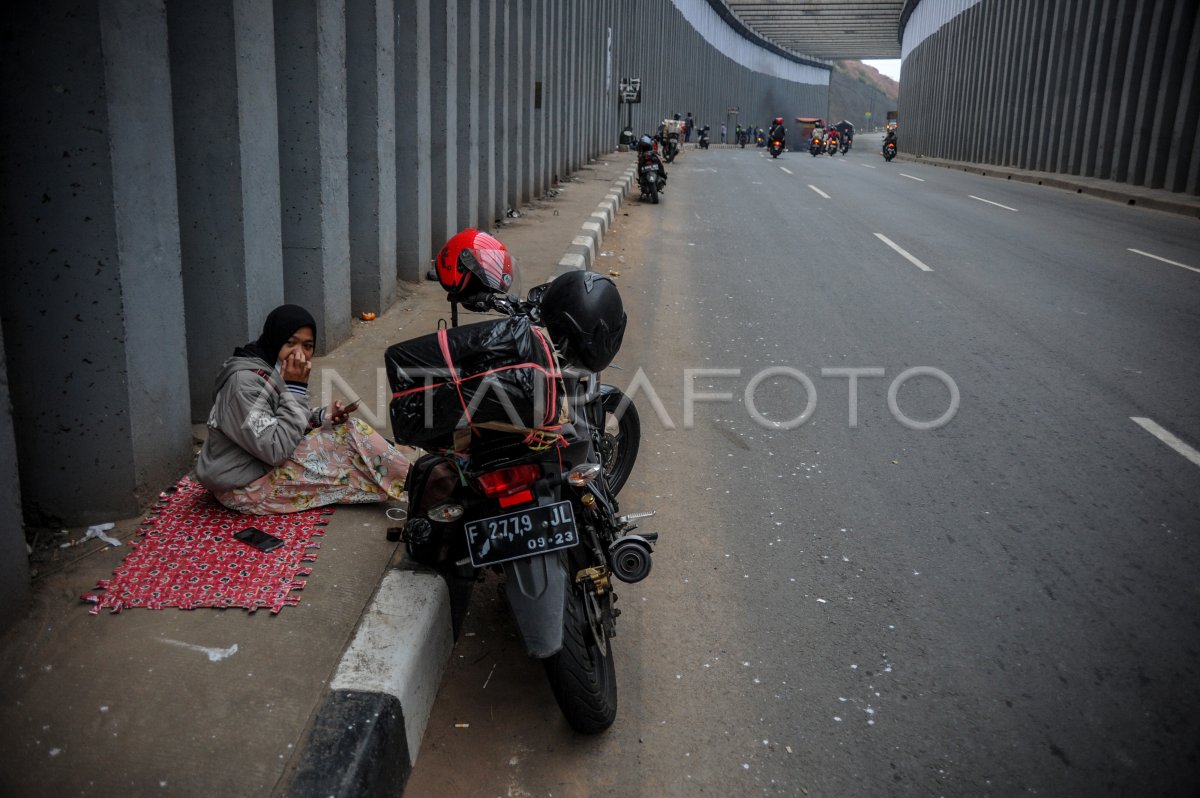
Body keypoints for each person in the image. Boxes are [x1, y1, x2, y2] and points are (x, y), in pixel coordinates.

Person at [196, 304, 417, 514]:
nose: (299, 353)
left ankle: (413, 477)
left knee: (354, 452)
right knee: (352, 447)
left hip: (259, 463)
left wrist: (320, 417)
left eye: (307, 346)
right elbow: (275, 450)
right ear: (275, 340)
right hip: (244, 487)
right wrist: (295, 388)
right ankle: (420, 483)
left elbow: (277, 419)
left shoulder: (271, 366)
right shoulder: (243, 385)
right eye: (291, 343)